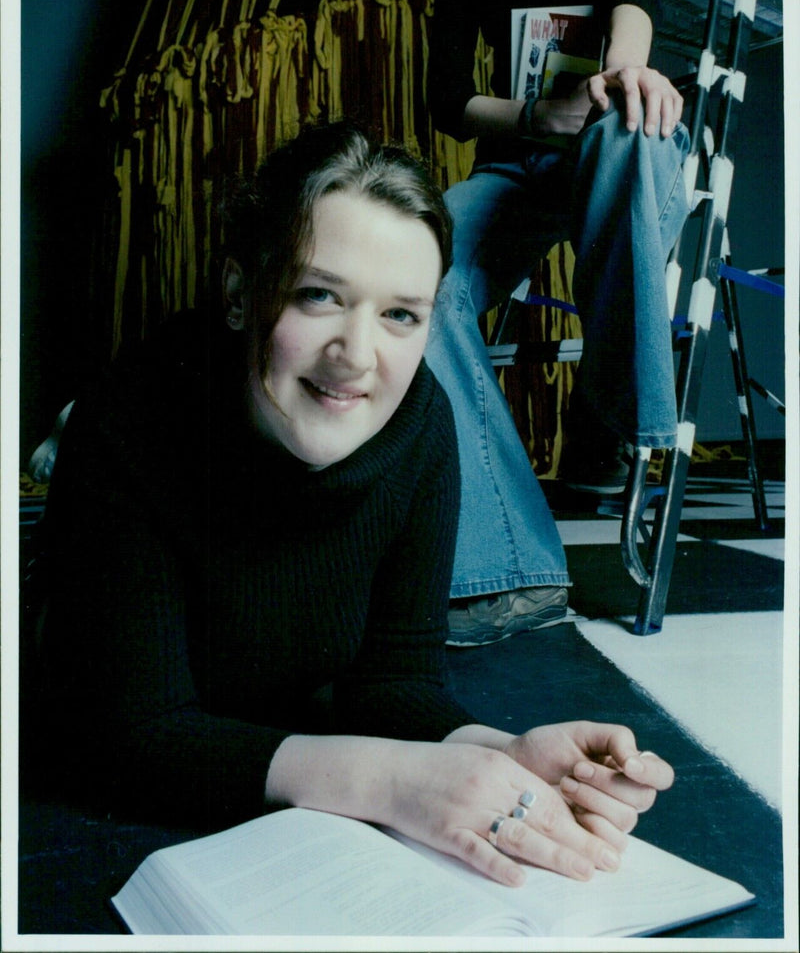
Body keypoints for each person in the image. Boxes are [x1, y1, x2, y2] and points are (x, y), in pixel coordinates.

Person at [33, 123, 673, 890]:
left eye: (401, 315)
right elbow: (130, 737)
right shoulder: (127, 421)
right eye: (319, 296)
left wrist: (498, 753)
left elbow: (392, 683)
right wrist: (392, 782)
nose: (357, 356)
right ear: (240, 294)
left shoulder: (423, 425)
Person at [425, 0, 690, 645]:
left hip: (619, 146)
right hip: (518, 163)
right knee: (422, 283)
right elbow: (446, 99)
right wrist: (540, 119)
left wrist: (621, 78)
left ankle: (617, 425)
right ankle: (512, 567)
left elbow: (632, 2)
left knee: (634, 125)